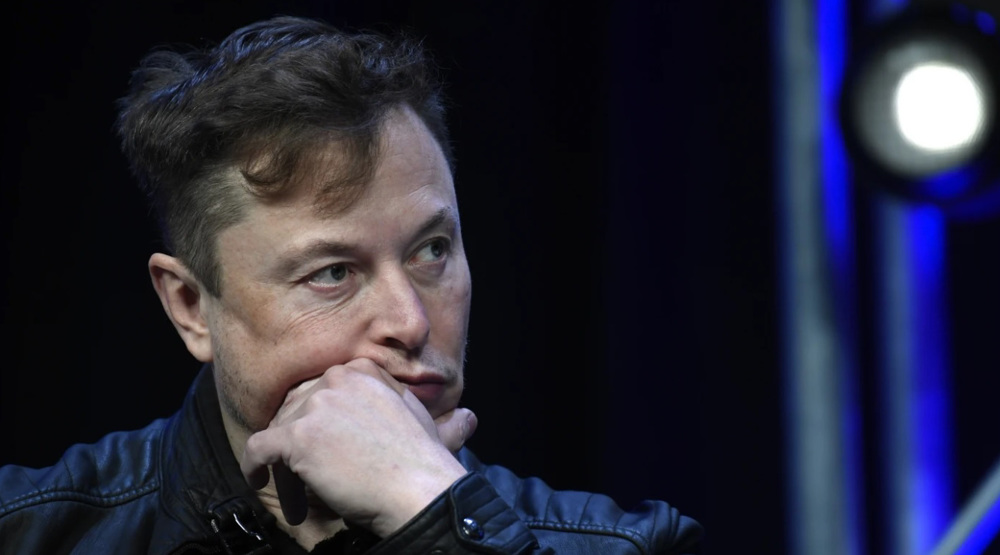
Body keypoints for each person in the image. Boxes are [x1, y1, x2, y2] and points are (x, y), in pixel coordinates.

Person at [0, 15, 702, 554]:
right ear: (191, 306)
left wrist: (429, 508)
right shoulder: (31, 531)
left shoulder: (628, 543)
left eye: (432, 250)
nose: (411, 320)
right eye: (333, 272)